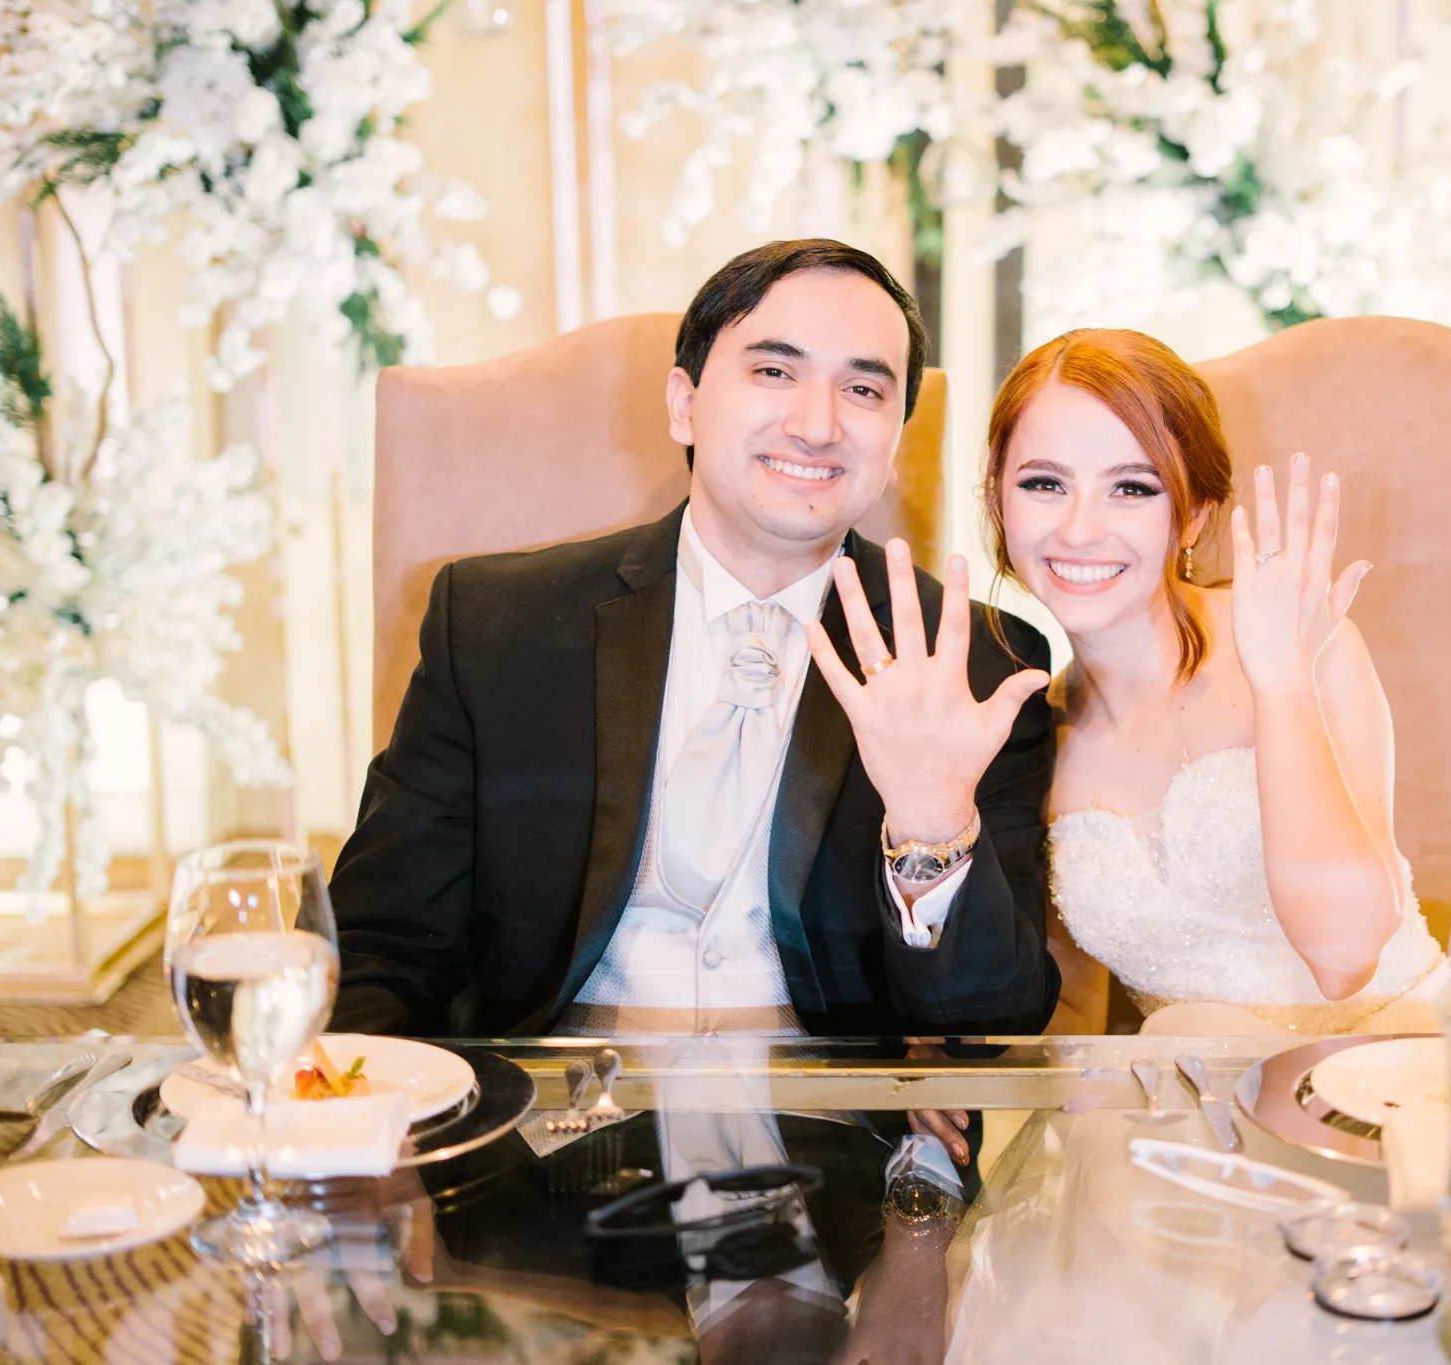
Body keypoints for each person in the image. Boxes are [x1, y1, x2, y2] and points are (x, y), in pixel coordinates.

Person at [328, 239, 1059, 1043]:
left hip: (836, 1140)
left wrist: (931, 821)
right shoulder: (495, 625)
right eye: (773, 371)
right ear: (684, 402)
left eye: (862, 388)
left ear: (894, 442)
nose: (816, 424)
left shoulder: (982, 665)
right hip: (549, 1133)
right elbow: (383, 951)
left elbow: (995, 1020)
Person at [985, 328, 1445, 1034]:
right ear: (997, 499)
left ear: (1194, 513)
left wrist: (1282, 685)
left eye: (1131, 487)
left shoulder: (1300, 643)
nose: (1079, 530)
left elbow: (1345, 956)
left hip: (1395, 1074)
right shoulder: (1025, 732)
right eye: (1045, 483)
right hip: (1190, 1122)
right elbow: (1070, 1006)